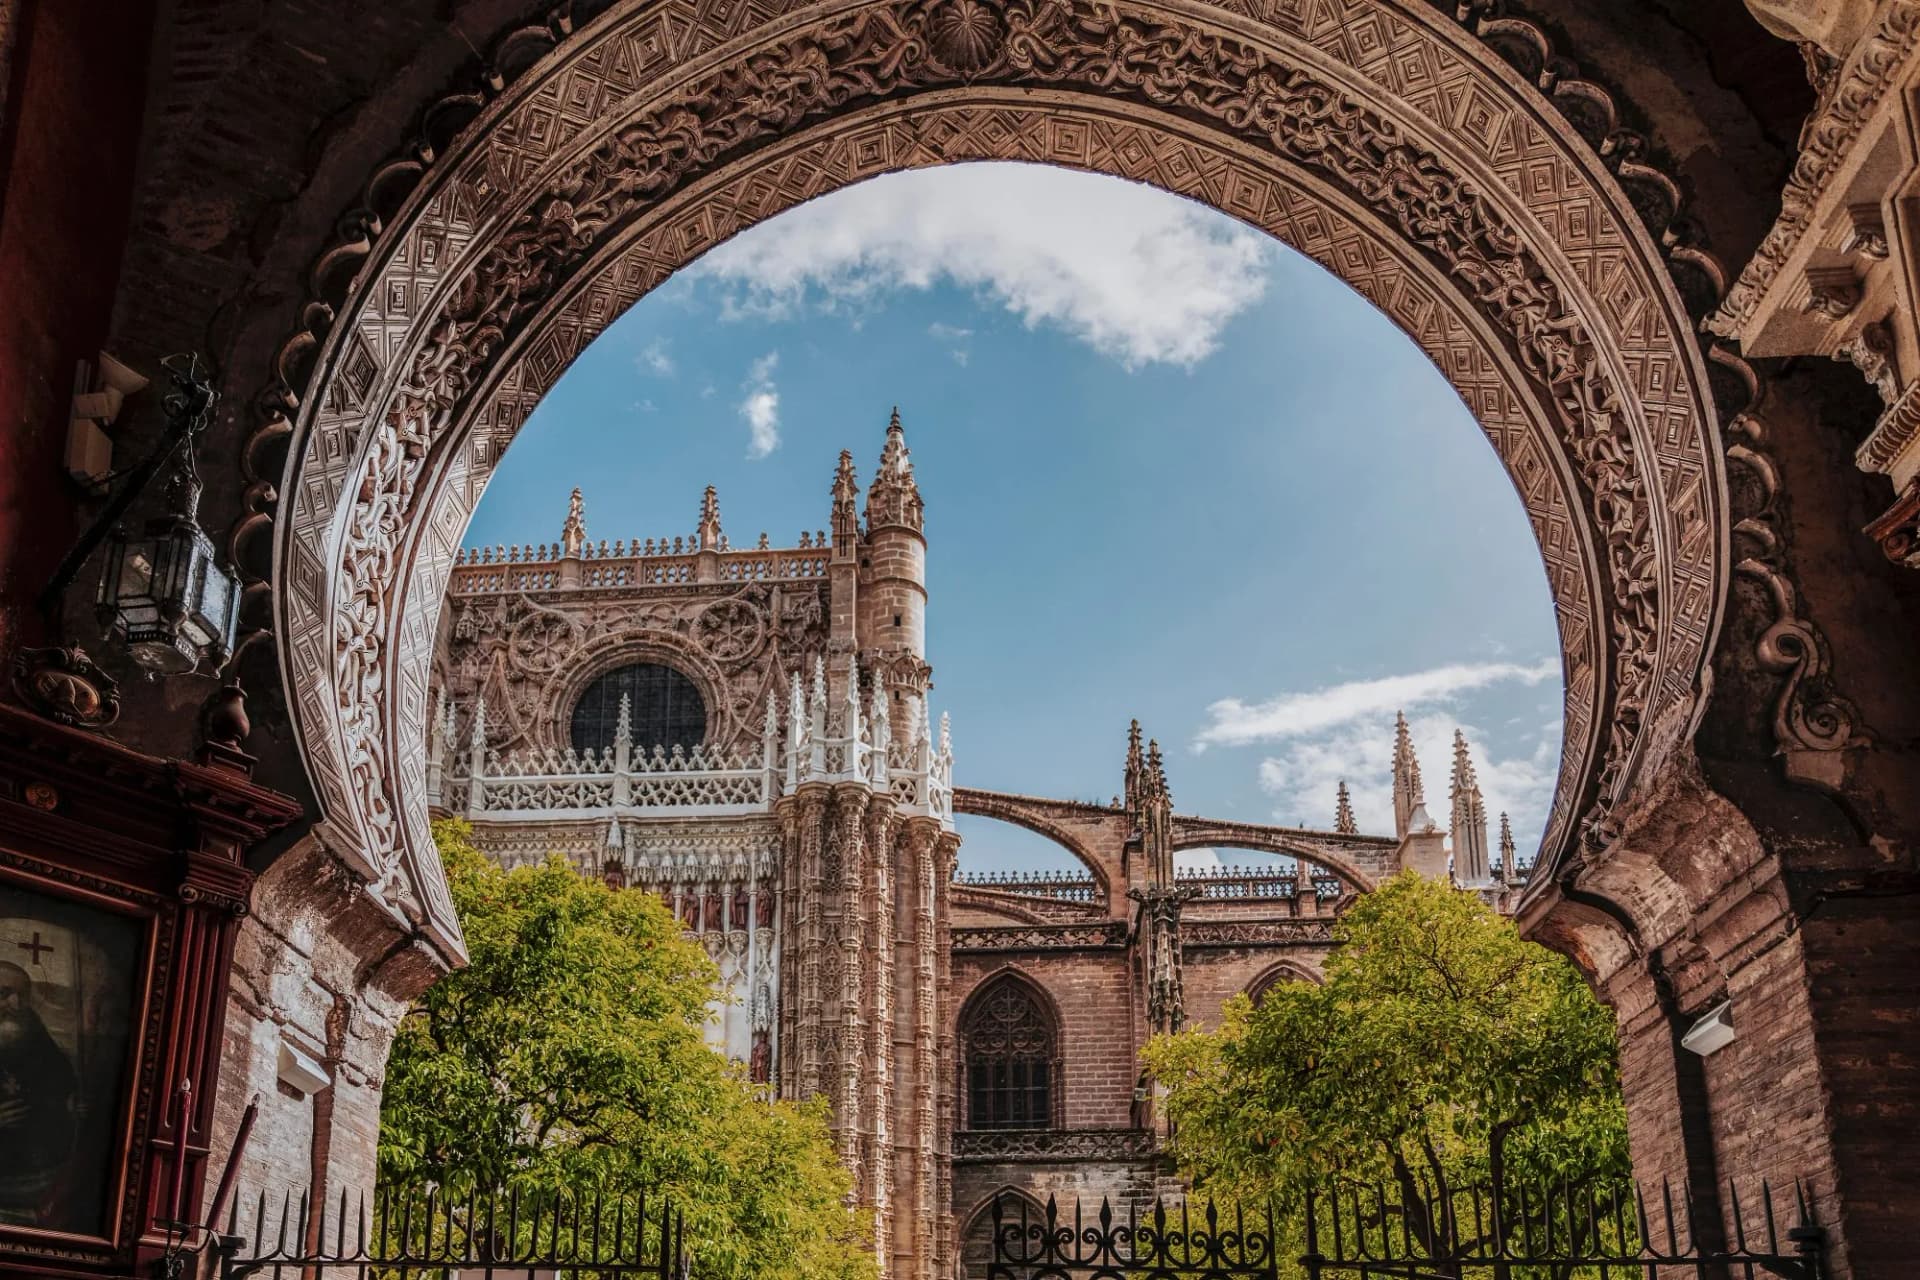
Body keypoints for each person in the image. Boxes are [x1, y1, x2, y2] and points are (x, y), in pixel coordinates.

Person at [0, 961, 79, 1226]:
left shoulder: (33, 1032)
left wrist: (72, 1105)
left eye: (22, 996)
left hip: (39, 1179)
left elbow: (61, 1083)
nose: (15, 1003)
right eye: (4, 993)